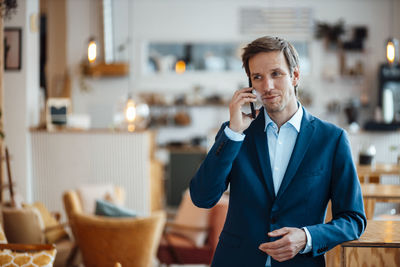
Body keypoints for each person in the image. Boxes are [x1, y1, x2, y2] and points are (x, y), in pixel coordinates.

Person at [189, 36, 366, 267]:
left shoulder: (332, 139)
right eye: (258, 77)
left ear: (295, 76)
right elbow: (202, 197)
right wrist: (233, 133)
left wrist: (306, 237)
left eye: (276, 74)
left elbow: (353, 219)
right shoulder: (236, 134)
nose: (267, 86)